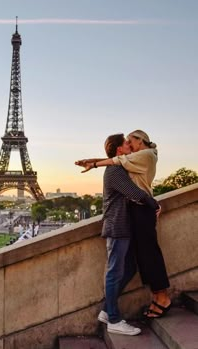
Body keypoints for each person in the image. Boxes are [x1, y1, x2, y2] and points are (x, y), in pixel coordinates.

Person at [75, 130, 171, 318]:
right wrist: (92, 161)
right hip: (131, 215)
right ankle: (112, 310)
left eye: (130, 141)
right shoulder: (127, 161)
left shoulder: (146, 154)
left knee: (148, 255)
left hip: (142, 209)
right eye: (125, 142)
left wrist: (93, 164)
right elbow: (114, 158)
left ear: (139, 141)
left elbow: (117, 160)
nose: (128, 143)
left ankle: (162, 297)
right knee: (138, 260)